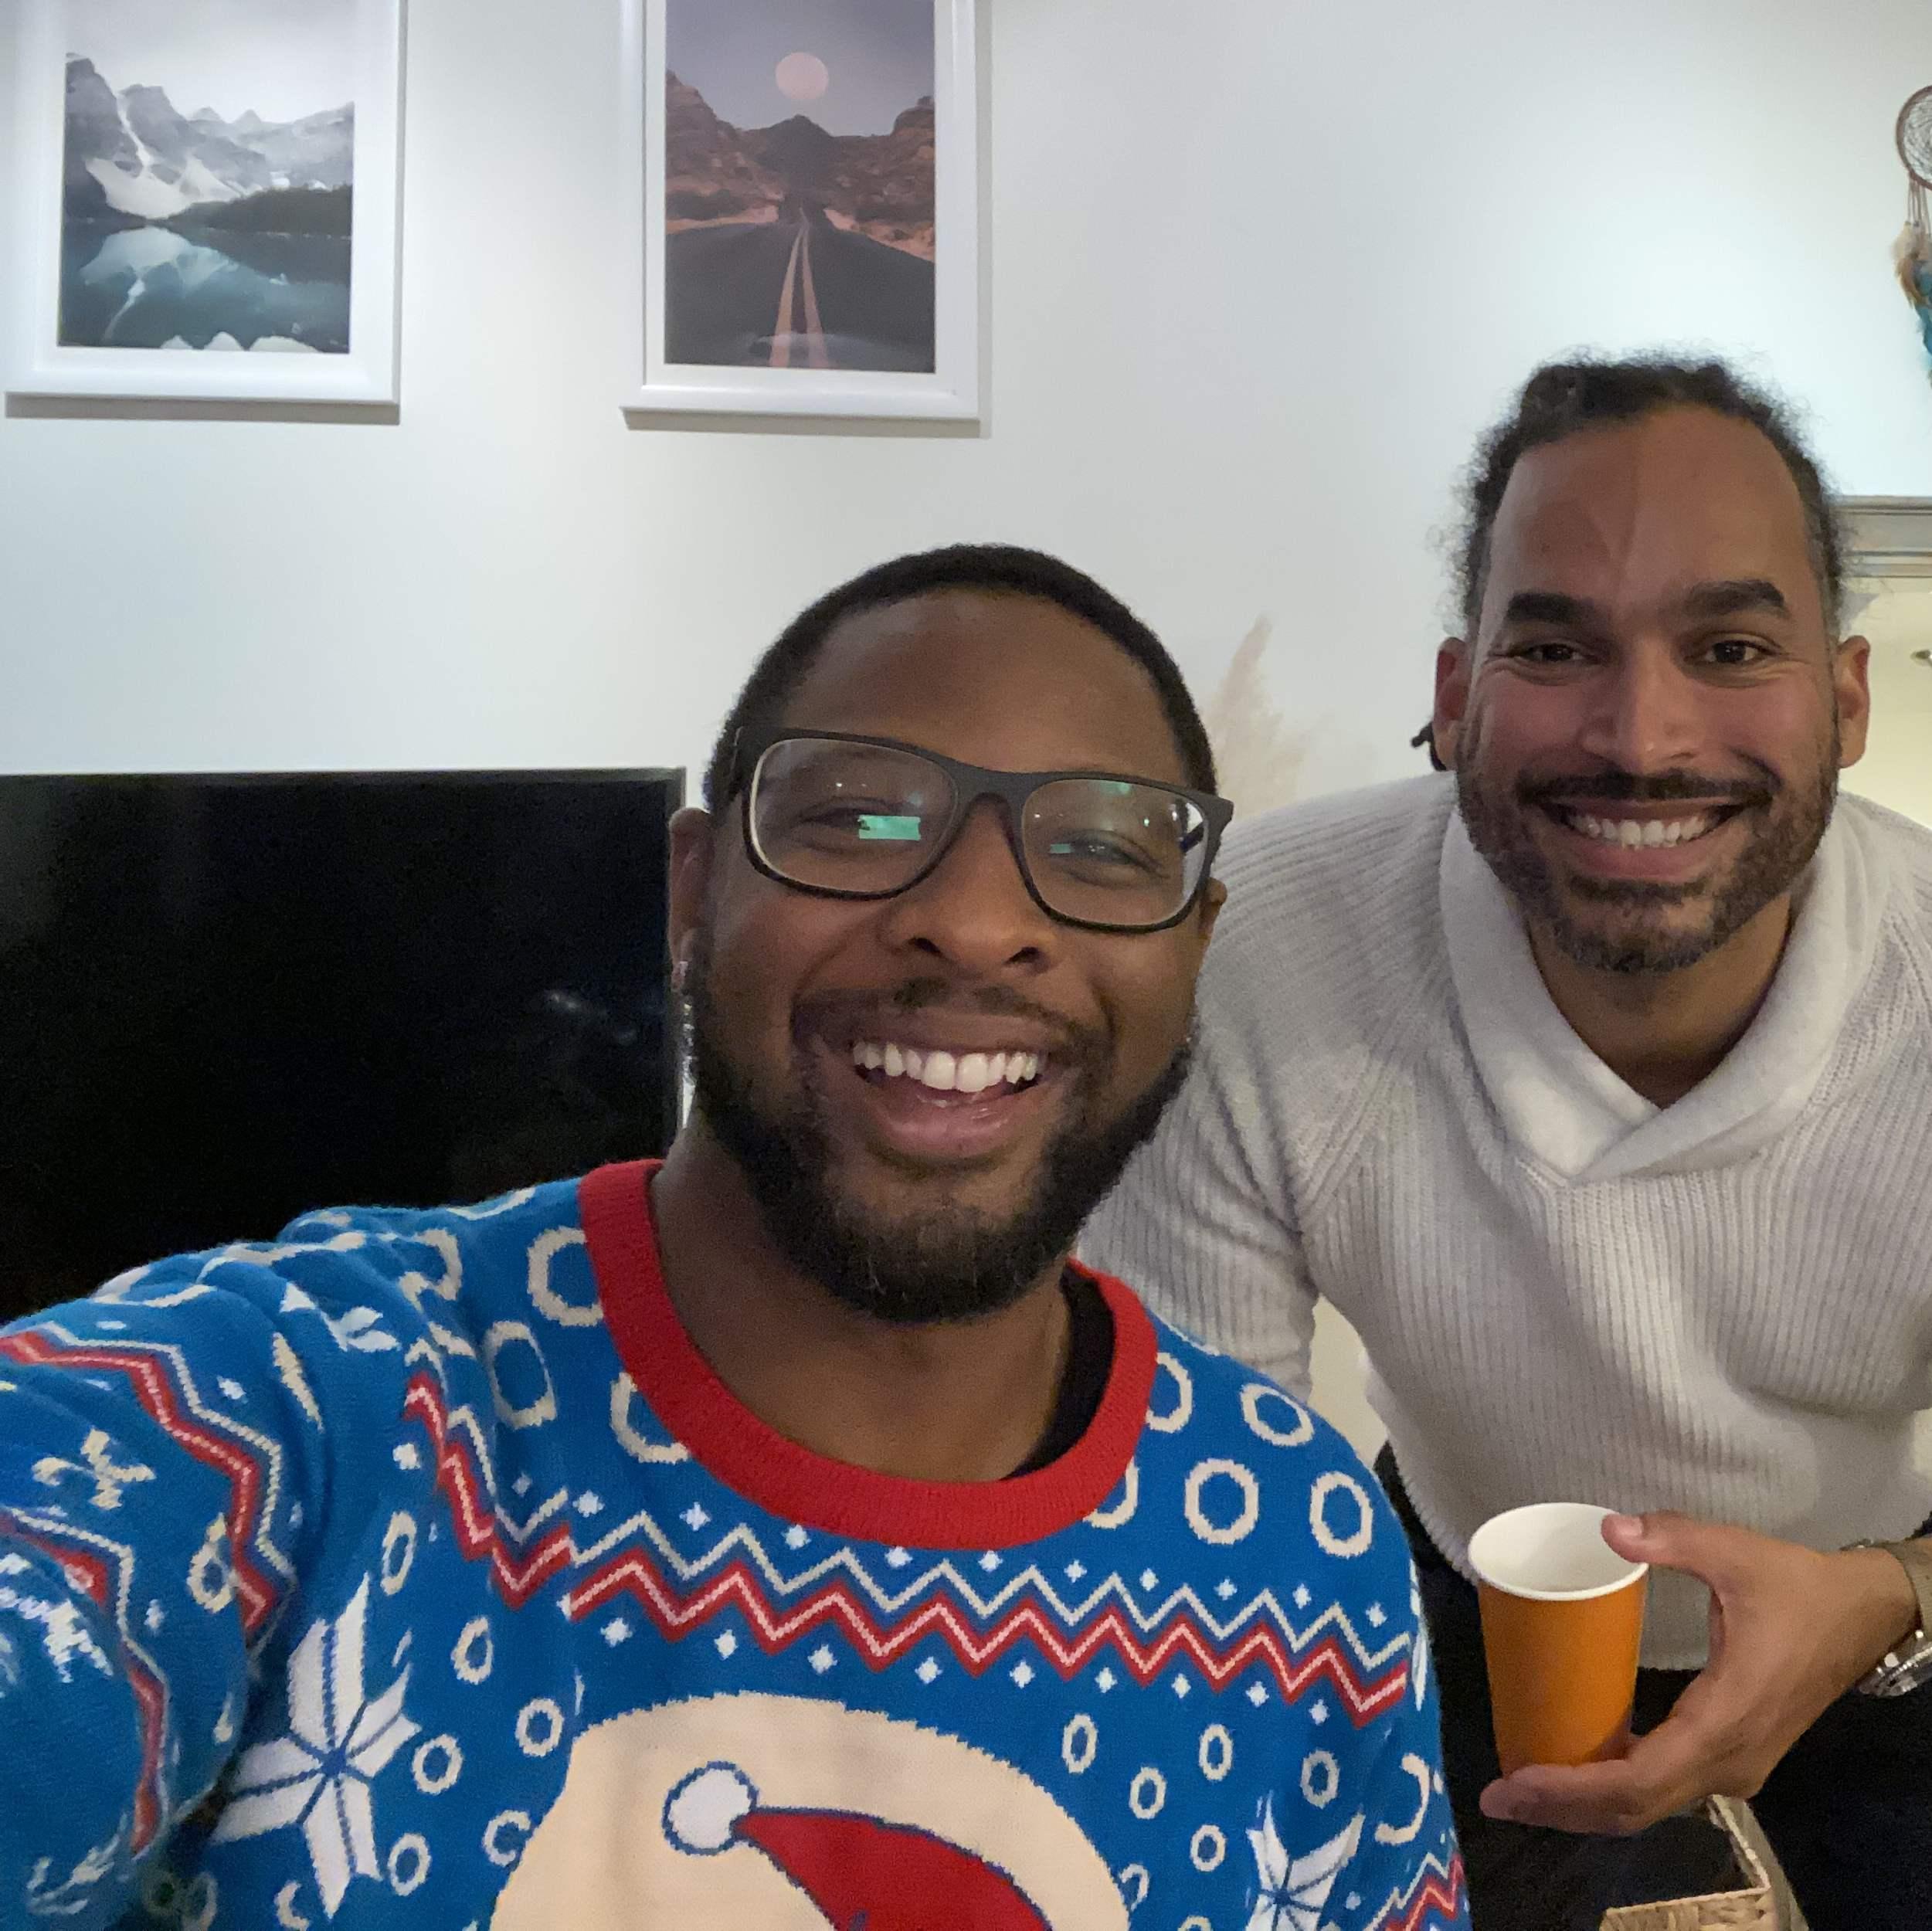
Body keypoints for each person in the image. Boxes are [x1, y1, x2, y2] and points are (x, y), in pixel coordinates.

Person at [0, 545, 1466, 1930]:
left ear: (1194, 946)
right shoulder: (300, 1412)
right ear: (694, 890)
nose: (972, 923)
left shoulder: (1300, 1545)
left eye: (1097, 848)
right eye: (858, 820)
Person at [1084, 359, 1932, 1929]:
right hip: (1450, 1615)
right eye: (1553, 647)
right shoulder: (1262, 950)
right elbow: (1197, 1494)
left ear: (1847, 698)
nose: (1641, 736)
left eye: (1730, 646)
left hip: (1882, 1624)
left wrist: (1889, 1597)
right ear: (1457, 695)